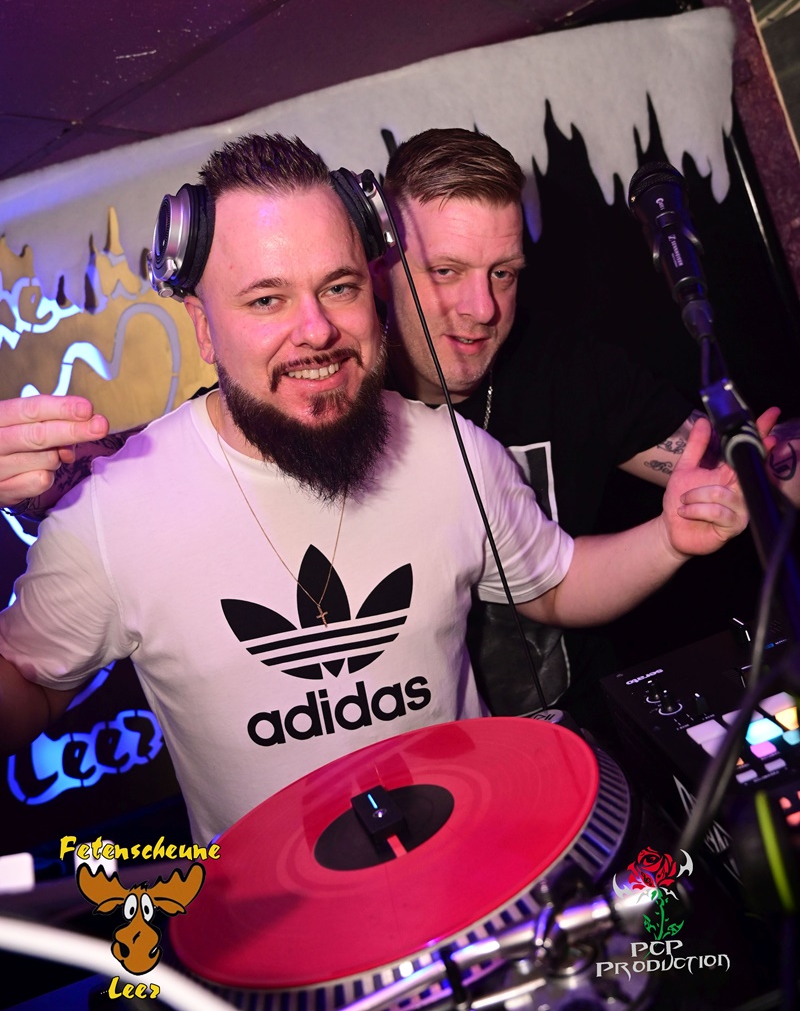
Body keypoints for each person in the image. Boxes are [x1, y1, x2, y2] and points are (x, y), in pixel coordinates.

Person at [0, 133, 760, 845]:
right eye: (266, 299)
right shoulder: (115, 508)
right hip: (278, 933)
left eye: (338, 287)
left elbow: (554, 583)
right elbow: (25, 697)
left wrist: (668, 539)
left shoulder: (453, 450)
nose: (316, 329)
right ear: (203, 326)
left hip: (481, 878)